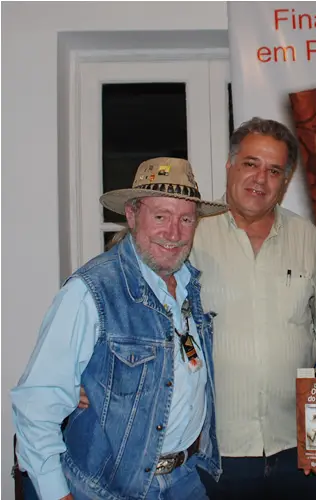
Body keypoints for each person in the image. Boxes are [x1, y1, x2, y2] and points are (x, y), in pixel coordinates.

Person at [11, 158, 227, 500]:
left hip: (184, 479)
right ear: (132, 215)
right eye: (161, 217)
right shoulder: (91, 291)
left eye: (186, 219)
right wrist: (56, 493)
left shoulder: (189, 285)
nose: (174, 233)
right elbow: (36, 404)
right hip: (105, 490)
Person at [191, 117, 316, 499]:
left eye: (274, 171)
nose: (260, 179)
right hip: (216, 450)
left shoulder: (306, 238)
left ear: (285, 181)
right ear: (230, 165)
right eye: (251, 164)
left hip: (298, 447)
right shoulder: (190, 234)